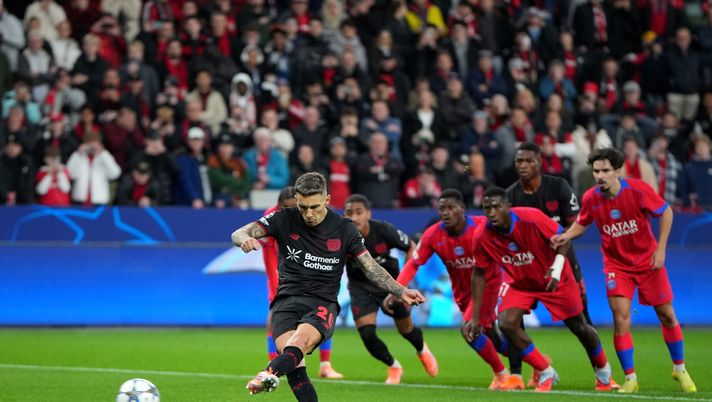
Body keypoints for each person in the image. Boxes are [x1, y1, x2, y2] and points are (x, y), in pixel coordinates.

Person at [232, 172, 424, 400]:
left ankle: (269, 373)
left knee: (298, 343)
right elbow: (239, 232)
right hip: (285, 302)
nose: (309, 214)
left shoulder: (344, 229)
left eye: (314, 207)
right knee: (295, 368)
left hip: (321, 303)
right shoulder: (283, 218)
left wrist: (401, 290)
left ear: (327, 200)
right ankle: (274, 372)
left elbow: (370, 267)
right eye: (303, 207)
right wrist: (245, 239)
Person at [551, 148, 697, 393]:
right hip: (616, 266)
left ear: (618, 171)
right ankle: (630, 378)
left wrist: (660, 250)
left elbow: (667, 212)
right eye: (596, 171)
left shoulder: (638, 190)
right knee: (620, 319)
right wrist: (565, 235)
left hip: (648, 262)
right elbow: (582, 222)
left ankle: (679, 368)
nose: (600, 175)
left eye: (606, 170)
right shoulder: (590, 198)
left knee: (667, 316)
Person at [465, 187, 615, 393]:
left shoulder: (532, 218)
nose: (491, 213)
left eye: (496, 207)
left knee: (580, 327)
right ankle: (545, 371)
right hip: (521, 283)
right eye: (487, 208)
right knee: (507, 323)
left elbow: (563, 239)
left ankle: (604, 371)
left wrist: (557, 267)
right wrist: (475, 318)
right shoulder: (481, 236)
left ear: (508, 207)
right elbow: (478, 274)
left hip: (553, 278)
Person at [385, 189, 512, 390]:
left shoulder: (481, 227)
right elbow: (414, 264)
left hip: (489, 285)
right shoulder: (433, 234)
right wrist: (397, 289)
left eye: (451, 208)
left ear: (462, 209)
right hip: (463, 292)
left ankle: (502, 375)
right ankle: (533, 359)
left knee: (469, 330)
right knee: (493, 338)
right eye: (442, 208)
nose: (445, 212)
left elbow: (508, 246)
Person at [506, 142, 601, 388]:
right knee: (512, 320)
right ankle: (516, 374)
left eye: (528, 161)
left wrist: (560, 254)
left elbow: (576, 224)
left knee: (582, 321)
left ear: (539, 162)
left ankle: (602, 373)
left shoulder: (558, 187)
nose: (523, 166)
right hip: (527, 266)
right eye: (519, 161)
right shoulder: (510, 196)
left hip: (563, 262)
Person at [343, 194, 438, 384]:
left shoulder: (384, 230)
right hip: (361, 288)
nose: (354, 217)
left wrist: (404, 283)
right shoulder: (342, 236)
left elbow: (411, 247)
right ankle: (394, 366)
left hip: (392, 285)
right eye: (349, 213)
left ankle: (421, 349)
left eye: (359, 212)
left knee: (407, 331)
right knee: (368, 335)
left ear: (368, 214)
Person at [260, 186, 344, 380]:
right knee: (273, 317)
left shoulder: (313, 214)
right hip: (285, 269)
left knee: (322, 315)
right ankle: (274, 366)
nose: (291, 213)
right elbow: (269, 254)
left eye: (294, 207)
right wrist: (275, 287)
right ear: (279, 206)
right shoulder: (272, 217)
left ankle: (325, 365)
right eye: (286, 208)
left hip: (312, 267)